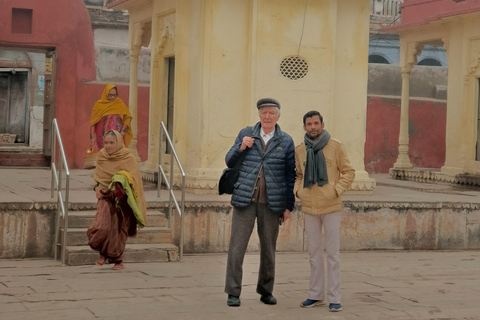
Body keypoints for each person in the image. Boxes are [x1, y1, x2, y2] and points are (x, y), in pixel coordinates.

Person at [224, 98, 296, 307]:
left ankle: (266, 291)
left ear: (278, 117)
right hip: (244, 200)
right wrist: (241, 147)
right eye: (263, 113)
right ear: (258, 115)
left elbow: (290, 175)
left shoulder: (286, 141)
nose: (267, 117)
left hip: (272, 203)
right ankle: (233, 292)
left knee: (268, 249)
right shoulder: (246, 134)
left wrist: (288, 205)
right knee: (237, 248)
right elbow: (229, 160)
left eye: (271, 113)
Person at [294, 111, 355, 312]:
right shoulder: (300, 150)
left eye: (316, 123)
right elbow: (298, 175)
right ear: (304, 127)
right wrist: (298, 191)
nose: (313, 127)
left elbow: (348, 171)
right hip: (310, 207)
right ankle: (315, 295)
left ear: (322, 124)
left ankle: (334, 297)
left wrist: (336, 190)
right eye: (309, 124)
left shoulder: (335, 146)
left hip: (331, 207)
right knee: (314, 253)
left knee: (333, 254)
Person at [87, 130, 147, 270]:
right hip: (105, 196)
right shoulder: (102, 155)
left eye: (111, 143)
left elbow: (134, 179)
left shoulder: (128, 157)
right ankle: (103, 252)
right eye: (106, 142)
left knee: (119, 229)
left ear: (118, 142)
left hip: (123, 199)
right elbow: (98, 177)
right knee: (102, 226)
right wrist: (96, 188)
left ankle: (117, 260)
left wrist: (121, 184)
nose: (108, 146)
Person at [89, 84, 132, 151]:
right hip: (101, 137)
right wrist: (92, 138)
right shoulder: (98, 105)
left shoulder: (119, 103)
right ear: (106, 93)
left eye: (114, 95)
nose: (112, 97)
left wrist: (123, 131)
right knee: (104, 155)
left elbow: (127, 117)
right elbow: (93, 123)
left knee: (117, 156)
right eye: (110, 95)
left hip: (117, 137)